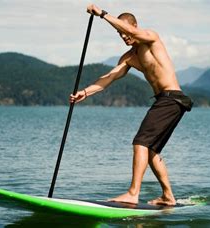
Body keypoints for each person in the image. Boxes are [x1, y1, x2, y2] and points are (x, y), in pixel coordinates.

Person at [69, 4, 193, 206]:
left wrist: (102, 14)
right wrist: (84, 92)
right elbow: (108, 79)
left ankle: (133, 193)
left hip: (171, 98)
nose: (124, 37)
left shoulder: (151, 39)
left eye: (125, 32)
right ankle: (168, 196)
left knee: (140, 142)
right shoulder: (129, 58)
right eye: (120, 34)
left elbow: (133, 32)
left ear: (134, 26)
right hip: (165, 101)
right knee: (151, 150)